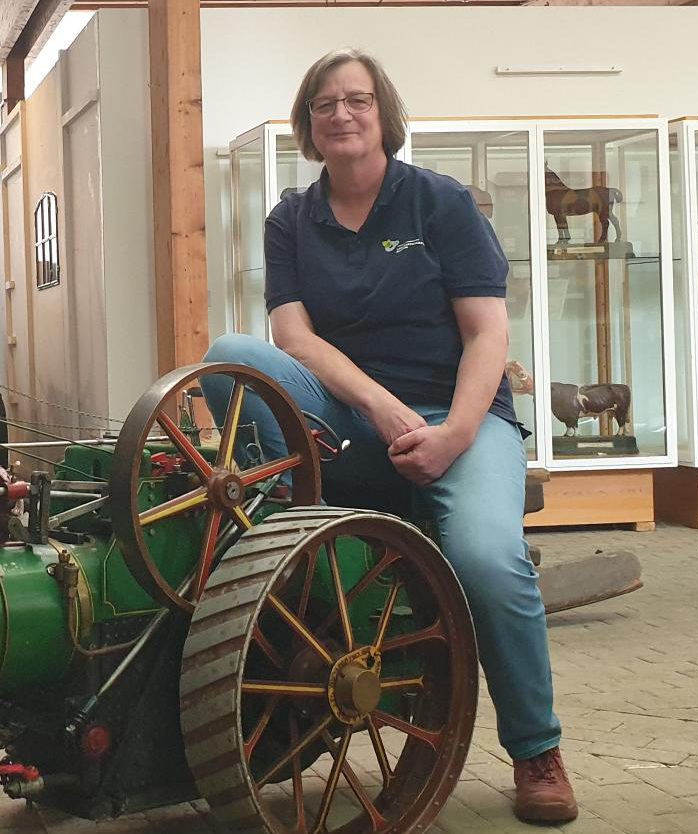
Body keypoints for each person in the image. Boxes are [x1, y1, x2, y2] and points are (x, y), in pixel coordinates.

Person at [201, 48, 577, 824]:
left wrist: (455, 434)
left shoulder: (438, 203)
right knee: (229, 359)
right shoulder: (290, 220)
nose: (342, 114)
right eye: (325, 104)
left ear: (384, 115)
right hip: (355, 419)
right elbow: (294, 338)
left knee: (484, 556)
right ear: (310, 125)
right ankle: (284, 520)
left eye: (358, 100)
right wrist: (376, 405)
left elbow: (486, 336)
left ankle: (536, 748)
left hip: (459, 416)